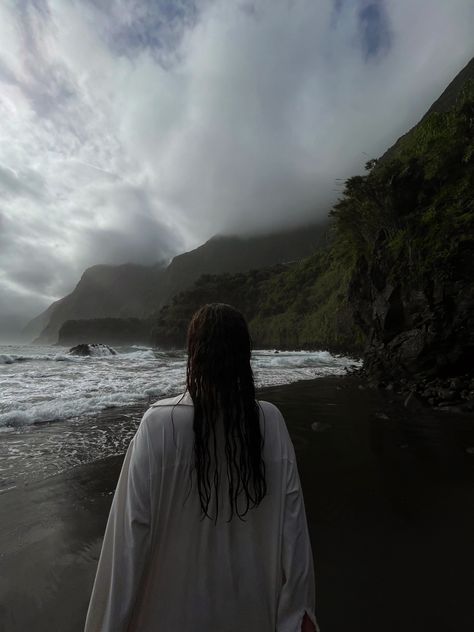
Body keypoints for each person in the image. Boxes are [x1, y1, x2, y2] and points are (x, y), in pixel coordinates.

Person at [84, 303, 319, 632]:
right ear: (244, 356)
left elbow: (126, 545)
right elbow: (293, 531)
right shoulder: (270, 423)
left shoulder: (159, 424)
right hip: (253, 616)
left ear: (193, 354)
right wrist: (298, 611)